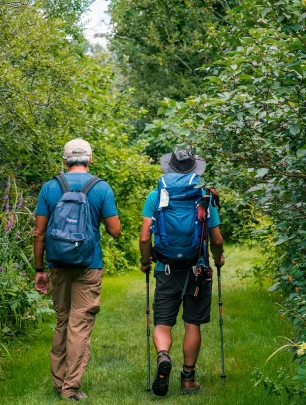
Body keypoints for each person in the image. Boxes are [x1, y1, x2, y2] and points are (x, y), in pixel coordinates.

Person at [33, 139, 121, 401]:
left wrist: (40, 269)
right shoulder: (101, 188)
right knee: (79, 325)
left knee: (62, 321)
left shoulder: (50, 188)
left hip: (57, 264)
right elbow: (115, 231)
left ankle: (59, 382)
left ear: (65, 160)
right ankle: (70, 389)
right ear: (90, 160)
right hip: (88, 264)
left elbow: (39, 232)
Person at [139, 147, 225, 396]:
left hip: (165, 267)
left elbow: (145, 238)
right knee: (192, 323)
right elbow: (216, 239)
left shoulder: (155, 196)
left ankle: (163, 356)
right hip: (197, 268)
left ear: (169, 168)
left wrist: (146, 261)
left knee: (163, 322)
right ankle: (188, 379)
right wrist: (218, 259)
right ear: (193, 170)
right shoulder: (204, 197)